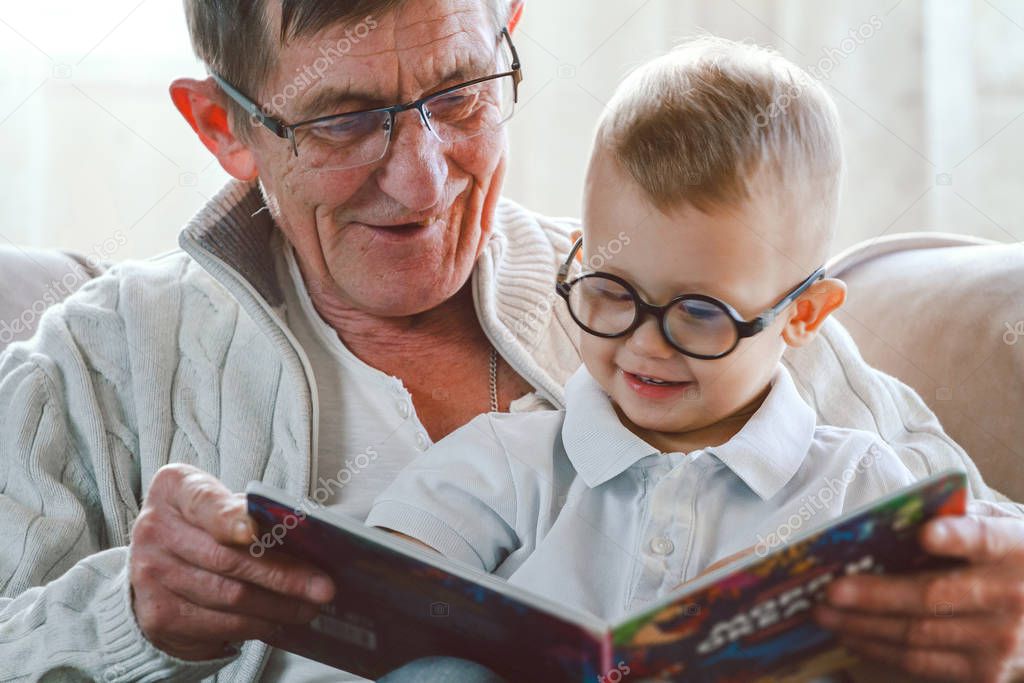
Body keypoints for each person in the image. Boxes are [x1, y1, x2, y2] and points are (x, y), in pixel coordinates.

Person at [0, 1, 1022, 681]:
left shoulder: (696, 295)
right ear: (222, 124)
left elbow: (970, 534)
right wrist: (128, 615)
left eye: (458, 95)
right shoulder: (96, 367)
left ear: (509, 36)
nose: (424, 179)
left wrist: (995, 613)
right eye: (345, 119)